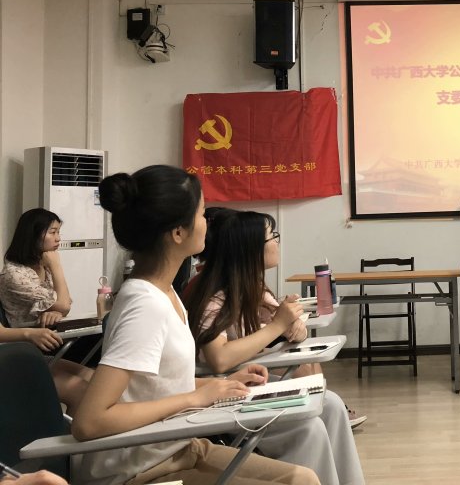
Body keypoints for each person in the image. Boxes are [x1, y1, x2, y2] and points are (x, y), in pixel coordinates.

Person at [71, 165, 318, 485]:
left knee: (302, 478)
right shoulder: (144, 305)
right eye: (201, 214)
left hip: (178, 448)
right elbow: (90, 422)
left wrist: (220, 385)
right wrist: (194, 398)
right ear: (178, 233)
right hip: (139, 471)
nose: (206, 223)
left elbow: (154, 387)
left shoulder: (164, 292)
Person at [184, 210, 365, 485]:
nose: (277, 242)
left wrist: (293, 325)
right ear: (250, 249)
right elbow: (219, 358)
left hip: (247, 385)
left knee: (332, 404)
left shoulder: (252, 286)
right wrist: (279, 325)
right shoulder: (214, 296)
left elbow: (285, 323)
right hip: (227, 395)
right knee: (309, 428)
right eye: (273, 237)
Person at [0, 209, 71, 328]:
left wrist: (56, 312)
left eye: (58, 232)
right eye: (53, 232)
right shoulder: (14, 274)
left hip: (50, 331)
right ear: (33, 235)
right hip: (27, 337)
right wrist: (56, 266)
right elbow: (64, 305)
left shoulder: (44, 267)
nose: (58, 238)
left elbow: (66, 302)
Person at [0, 324, 92, 415]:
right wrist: (29, 334)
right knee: (80, 391)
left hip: (16, 355)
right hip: (7, 364)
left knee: (93, 378)